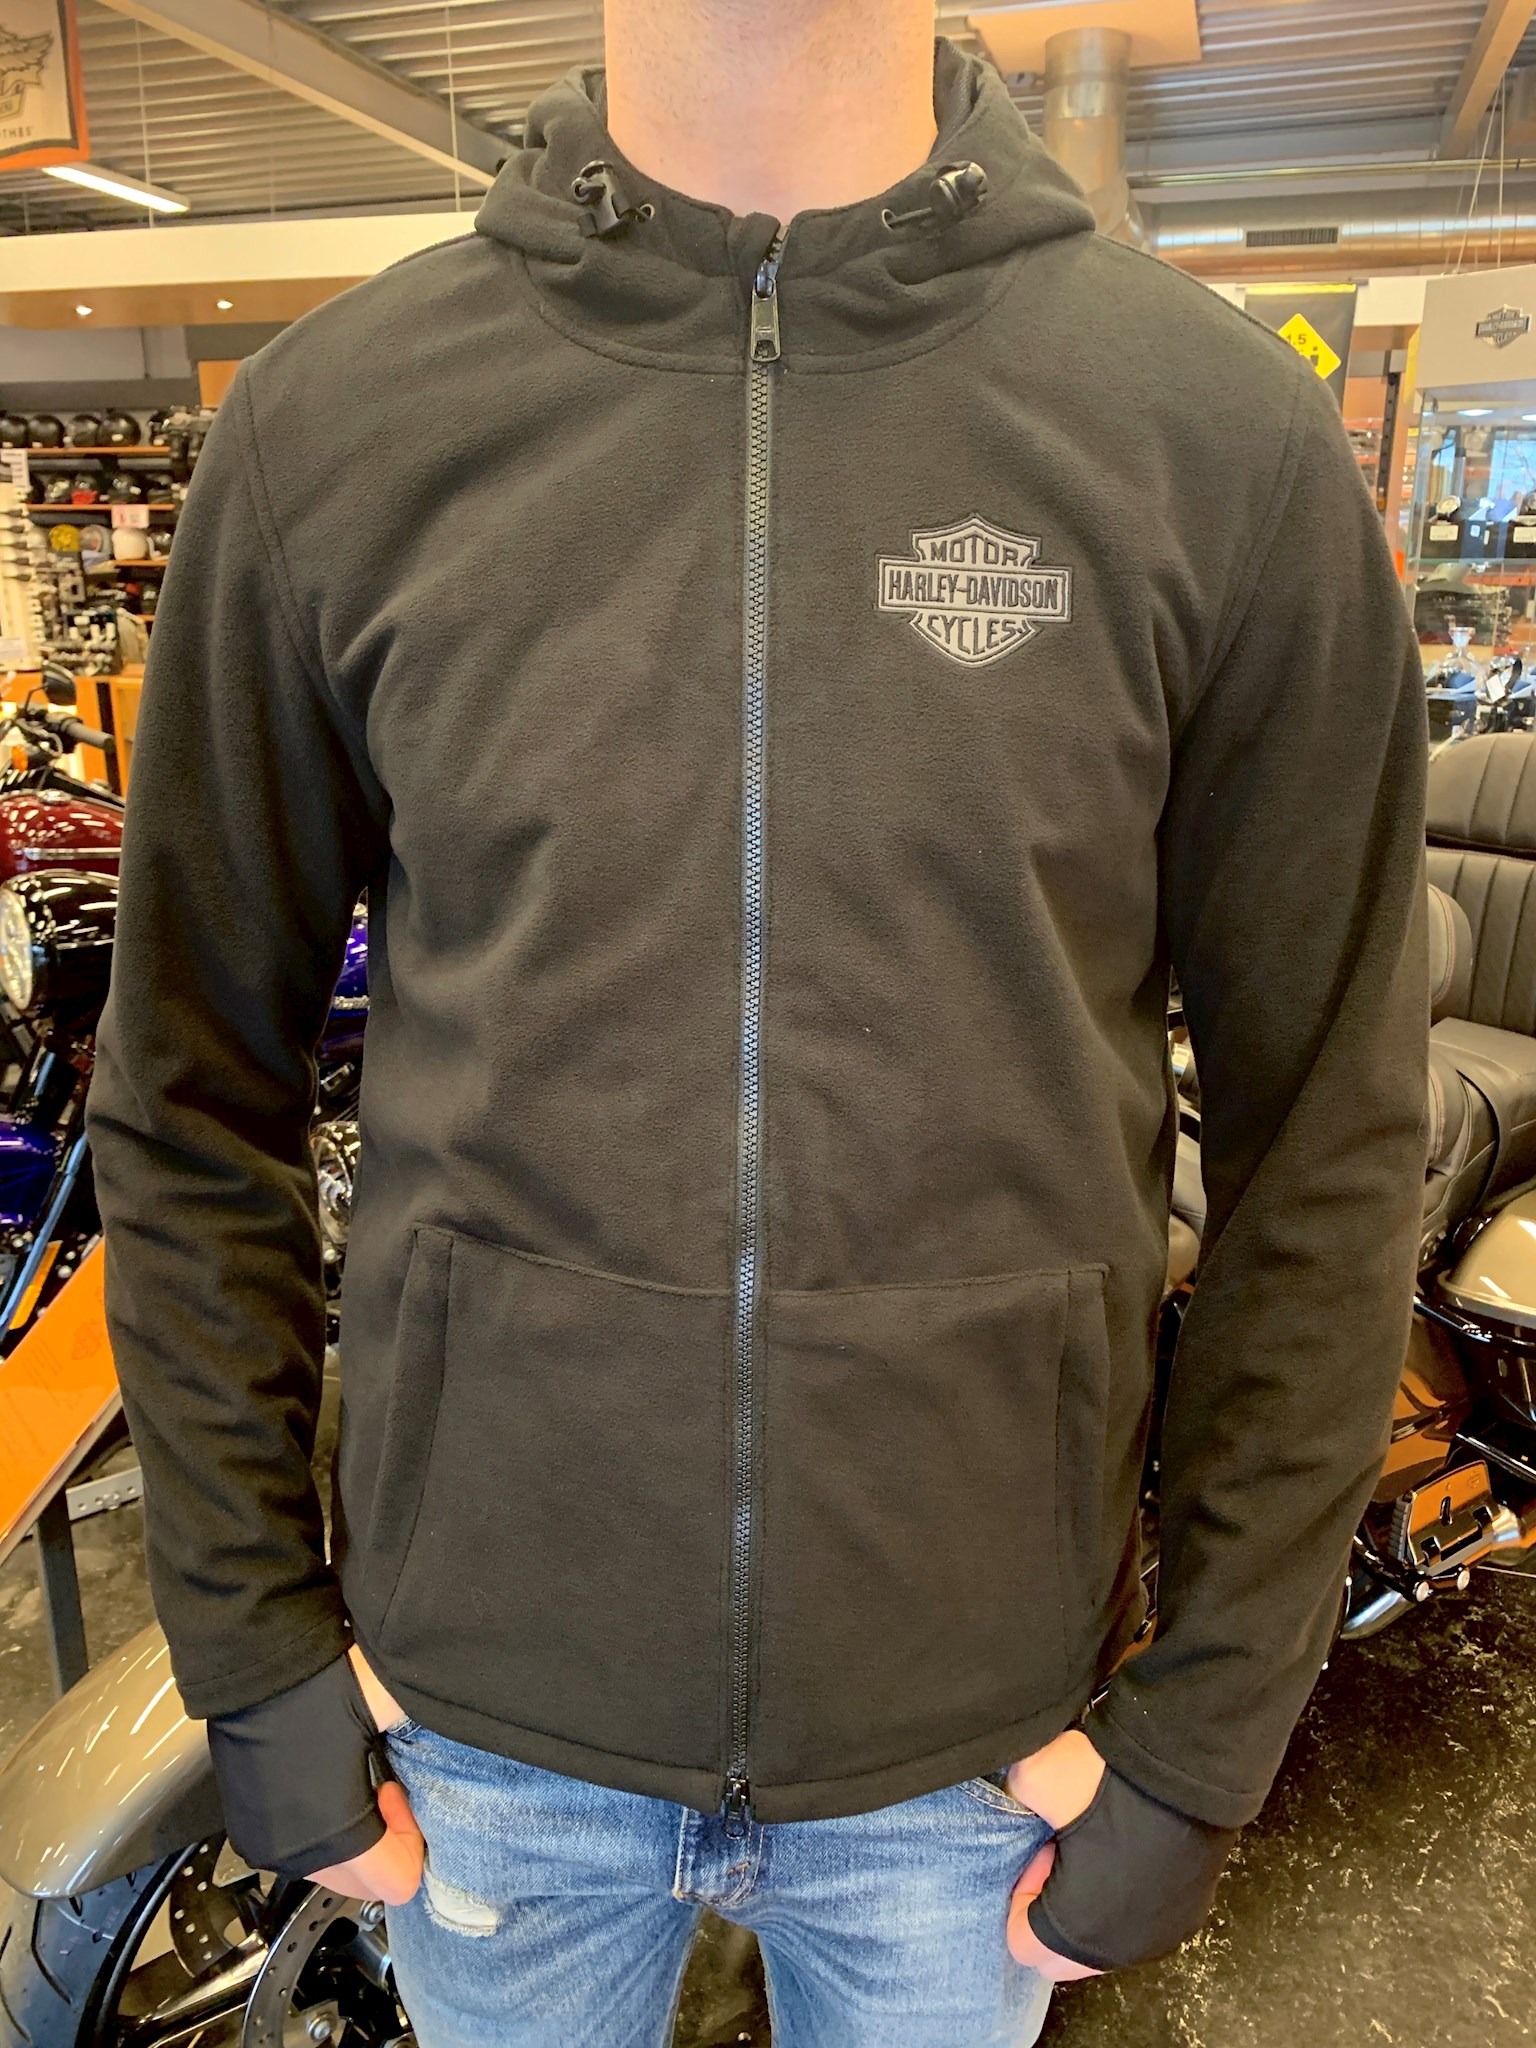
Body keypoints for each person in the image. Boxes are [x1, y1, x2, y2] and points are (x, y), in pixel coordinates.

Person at [85, 0, 1429, 2042]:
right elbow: (189, 1087)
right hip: (484, 1730)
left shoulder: (1215, 440)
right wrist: (249, 1640)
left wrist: (1208, 1729)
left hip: (974, 1756)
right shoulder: (335, 431)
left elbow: (1327, 1136)